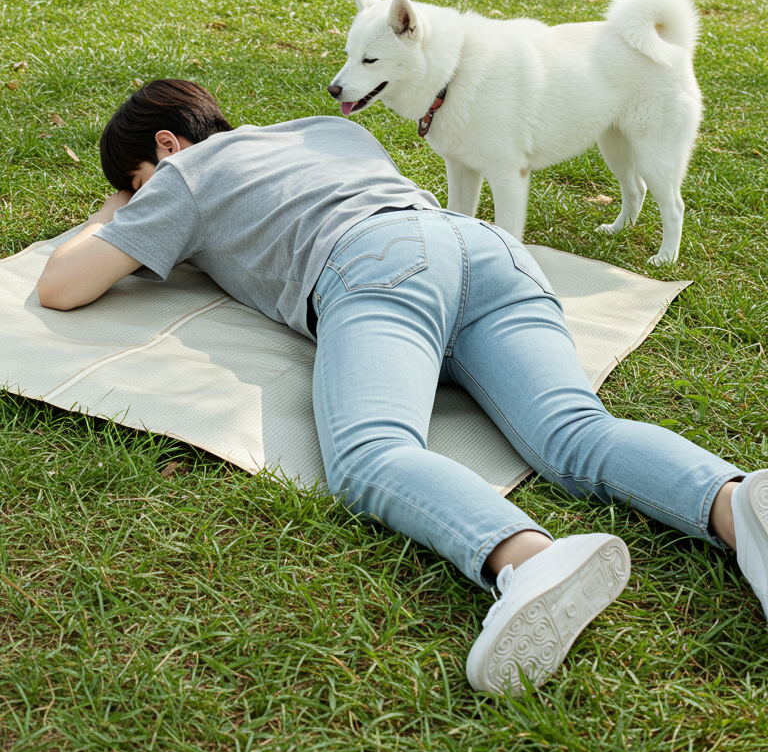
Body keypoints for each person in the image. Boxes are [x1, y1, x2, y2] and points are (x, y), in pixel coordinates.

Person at [38, 80, 768, 696]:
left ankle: (529, 561)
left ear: (165, 146)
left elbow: (62, 287)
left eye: (134, 180)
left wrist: (118, 214)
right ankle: (738, 504)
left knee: (371, 455)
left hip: (375, 266)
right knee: (575, 432)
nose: (140, 202)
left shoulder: (184, 177)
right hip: (486, 254)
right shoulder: (325, 129)